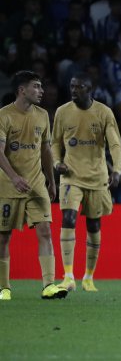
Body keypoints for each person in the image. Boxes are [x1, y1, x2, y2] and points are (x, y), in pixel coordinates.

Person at [52, 73, 121, 292]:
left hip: (97, 177)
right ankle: (68, 275)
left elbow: (115, 144)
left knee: (93, 225)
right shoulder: (62, 112)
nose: (74, 90)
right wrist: (56, 163)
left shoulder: (103, 112)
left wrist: (117, 170)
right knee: (69, 218)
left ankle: (89, 277)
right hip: (71, 176)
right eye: (72, 86)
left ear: (90, 88)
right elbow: (55, 142)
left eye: (79, 87)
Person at [0, 71, 67, 300]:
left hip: (36, 182)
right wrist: (14, 177)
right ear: (21, 90)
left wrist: (50, 180)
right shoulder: (4, 116)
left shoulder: (42, 115)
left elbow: (45, 149)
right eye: (36, 87)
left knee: (46, 231)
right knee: (3, 237)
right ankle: (4, 287)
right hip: (8, 185)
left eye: (41, 86)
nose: (41, 91)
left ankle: (49, 285)